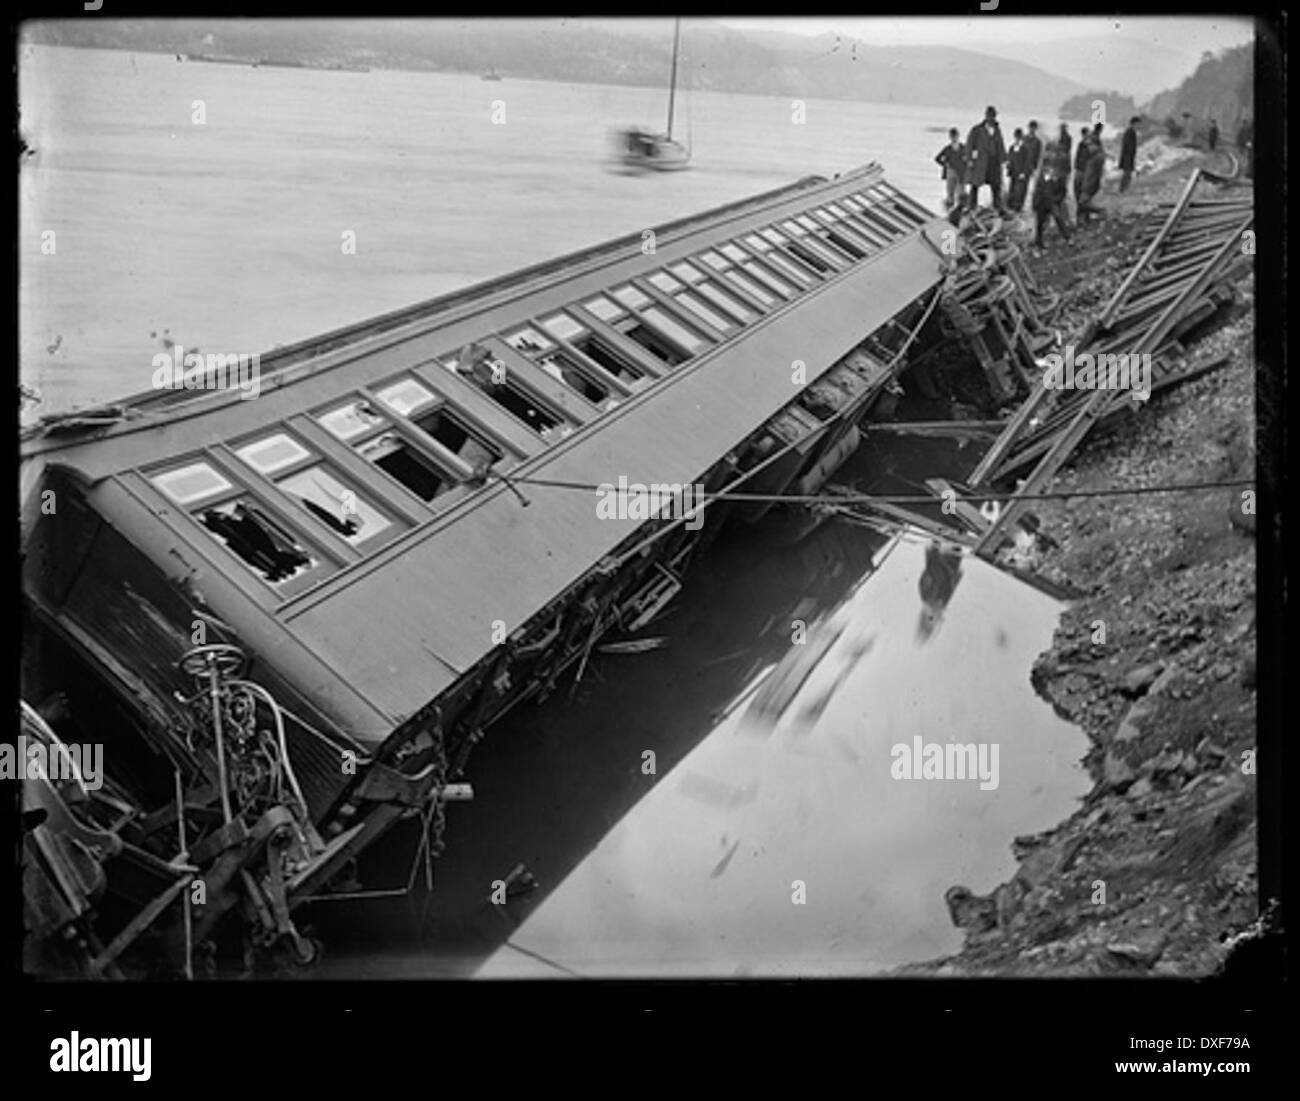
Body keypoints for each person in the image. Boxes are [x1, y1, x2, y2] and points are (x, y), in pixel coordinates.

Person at [965, 105, 1008, 214]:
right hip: (981, 161)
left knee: (996, 185)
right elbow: (969, 145)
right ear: (986, 116)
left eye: (993, 116)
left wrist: (1004, 159)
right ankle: (971, 206)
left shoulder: (997, 130)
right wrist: (970, 159)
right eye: (989, 116)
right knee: (975, 185)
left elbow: (1000, 145)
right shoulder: (977, 130)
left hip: (994, 162)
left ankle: (998, 207)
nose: (991, 118)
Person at [1031, 141, 1073, 249]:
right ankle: (1038, 241)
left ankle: (1068, 238)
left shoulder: (1058, 170)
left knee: (1058, 218)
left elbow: (1063, 188)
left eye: (1051, 152)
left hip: (1052, 200)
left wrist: (1058, 199)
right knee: (1040, 223)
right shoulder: (1043, 169)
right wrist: (1034, 201)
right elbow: (1038, 186)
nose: (1049, 154)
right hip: (1042, 200)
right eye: (1047, 152)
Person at [934, 127, 968, 211]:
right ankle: (949, 210)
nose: (954, 138)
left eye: (955, 136)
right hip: (951, 171)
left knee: (961, 193)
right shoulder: (948, 148)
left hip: (961, 173)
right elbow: (937, 158)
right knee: (950, 193)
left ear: (958, 136)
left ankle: (961, 210)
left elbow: (970, 159)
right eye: (952, 136)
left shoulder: (964, 148)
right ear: (950, 137)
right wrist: (945, 165)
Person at [1079, 125, 1106, 222]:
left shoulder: (1095, 158)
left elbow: (1091, 174)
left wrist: (1086, 185)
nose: (1089, 147)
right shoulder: (1097, 155)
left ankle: (1101, 211)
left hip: (1090, 183)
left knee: (1083, 202)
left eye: (1090, 145)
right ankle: (1085, 220)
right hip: (1090, 182)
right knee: (1084, 202)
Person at [1005, 127, 1032, 212]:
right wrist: (1008, 166)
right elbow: (1010, 158)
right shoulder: (1012, 147)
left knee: (1020, 191)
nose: (1017, 139)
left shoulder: (1025, 148)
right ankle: (1010, 206)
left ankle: (1017, 208)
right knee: (1012, 189)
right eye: (1016, 137)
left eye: (1018, 137)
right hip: (1014, 172)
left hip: (1022, 173)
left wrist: (1024, 172)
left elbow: (1027, 161)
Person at [1119, 116, 1139, 192]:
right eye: (1138, 124)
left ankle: (1125, 189)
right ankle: (1122, 189)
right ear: (1134, 124)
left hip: (1129, 156)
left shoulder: (1131, 132)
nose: (1139, 126)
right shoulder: (1129, 132)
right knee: (1127, 173)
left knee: (1128, 173)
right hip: (1127, 156)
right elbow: (1128, 145)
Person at [1073, 126, 1092, 203]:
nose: (1086, 135)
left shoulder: (1090, 145)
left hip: (1086, 170)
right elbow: (1078, 156)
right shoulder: (1081, 144)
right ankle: (1079, 204)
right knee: (1077, 188)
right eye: (1085, 134)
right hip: (1080, 169)